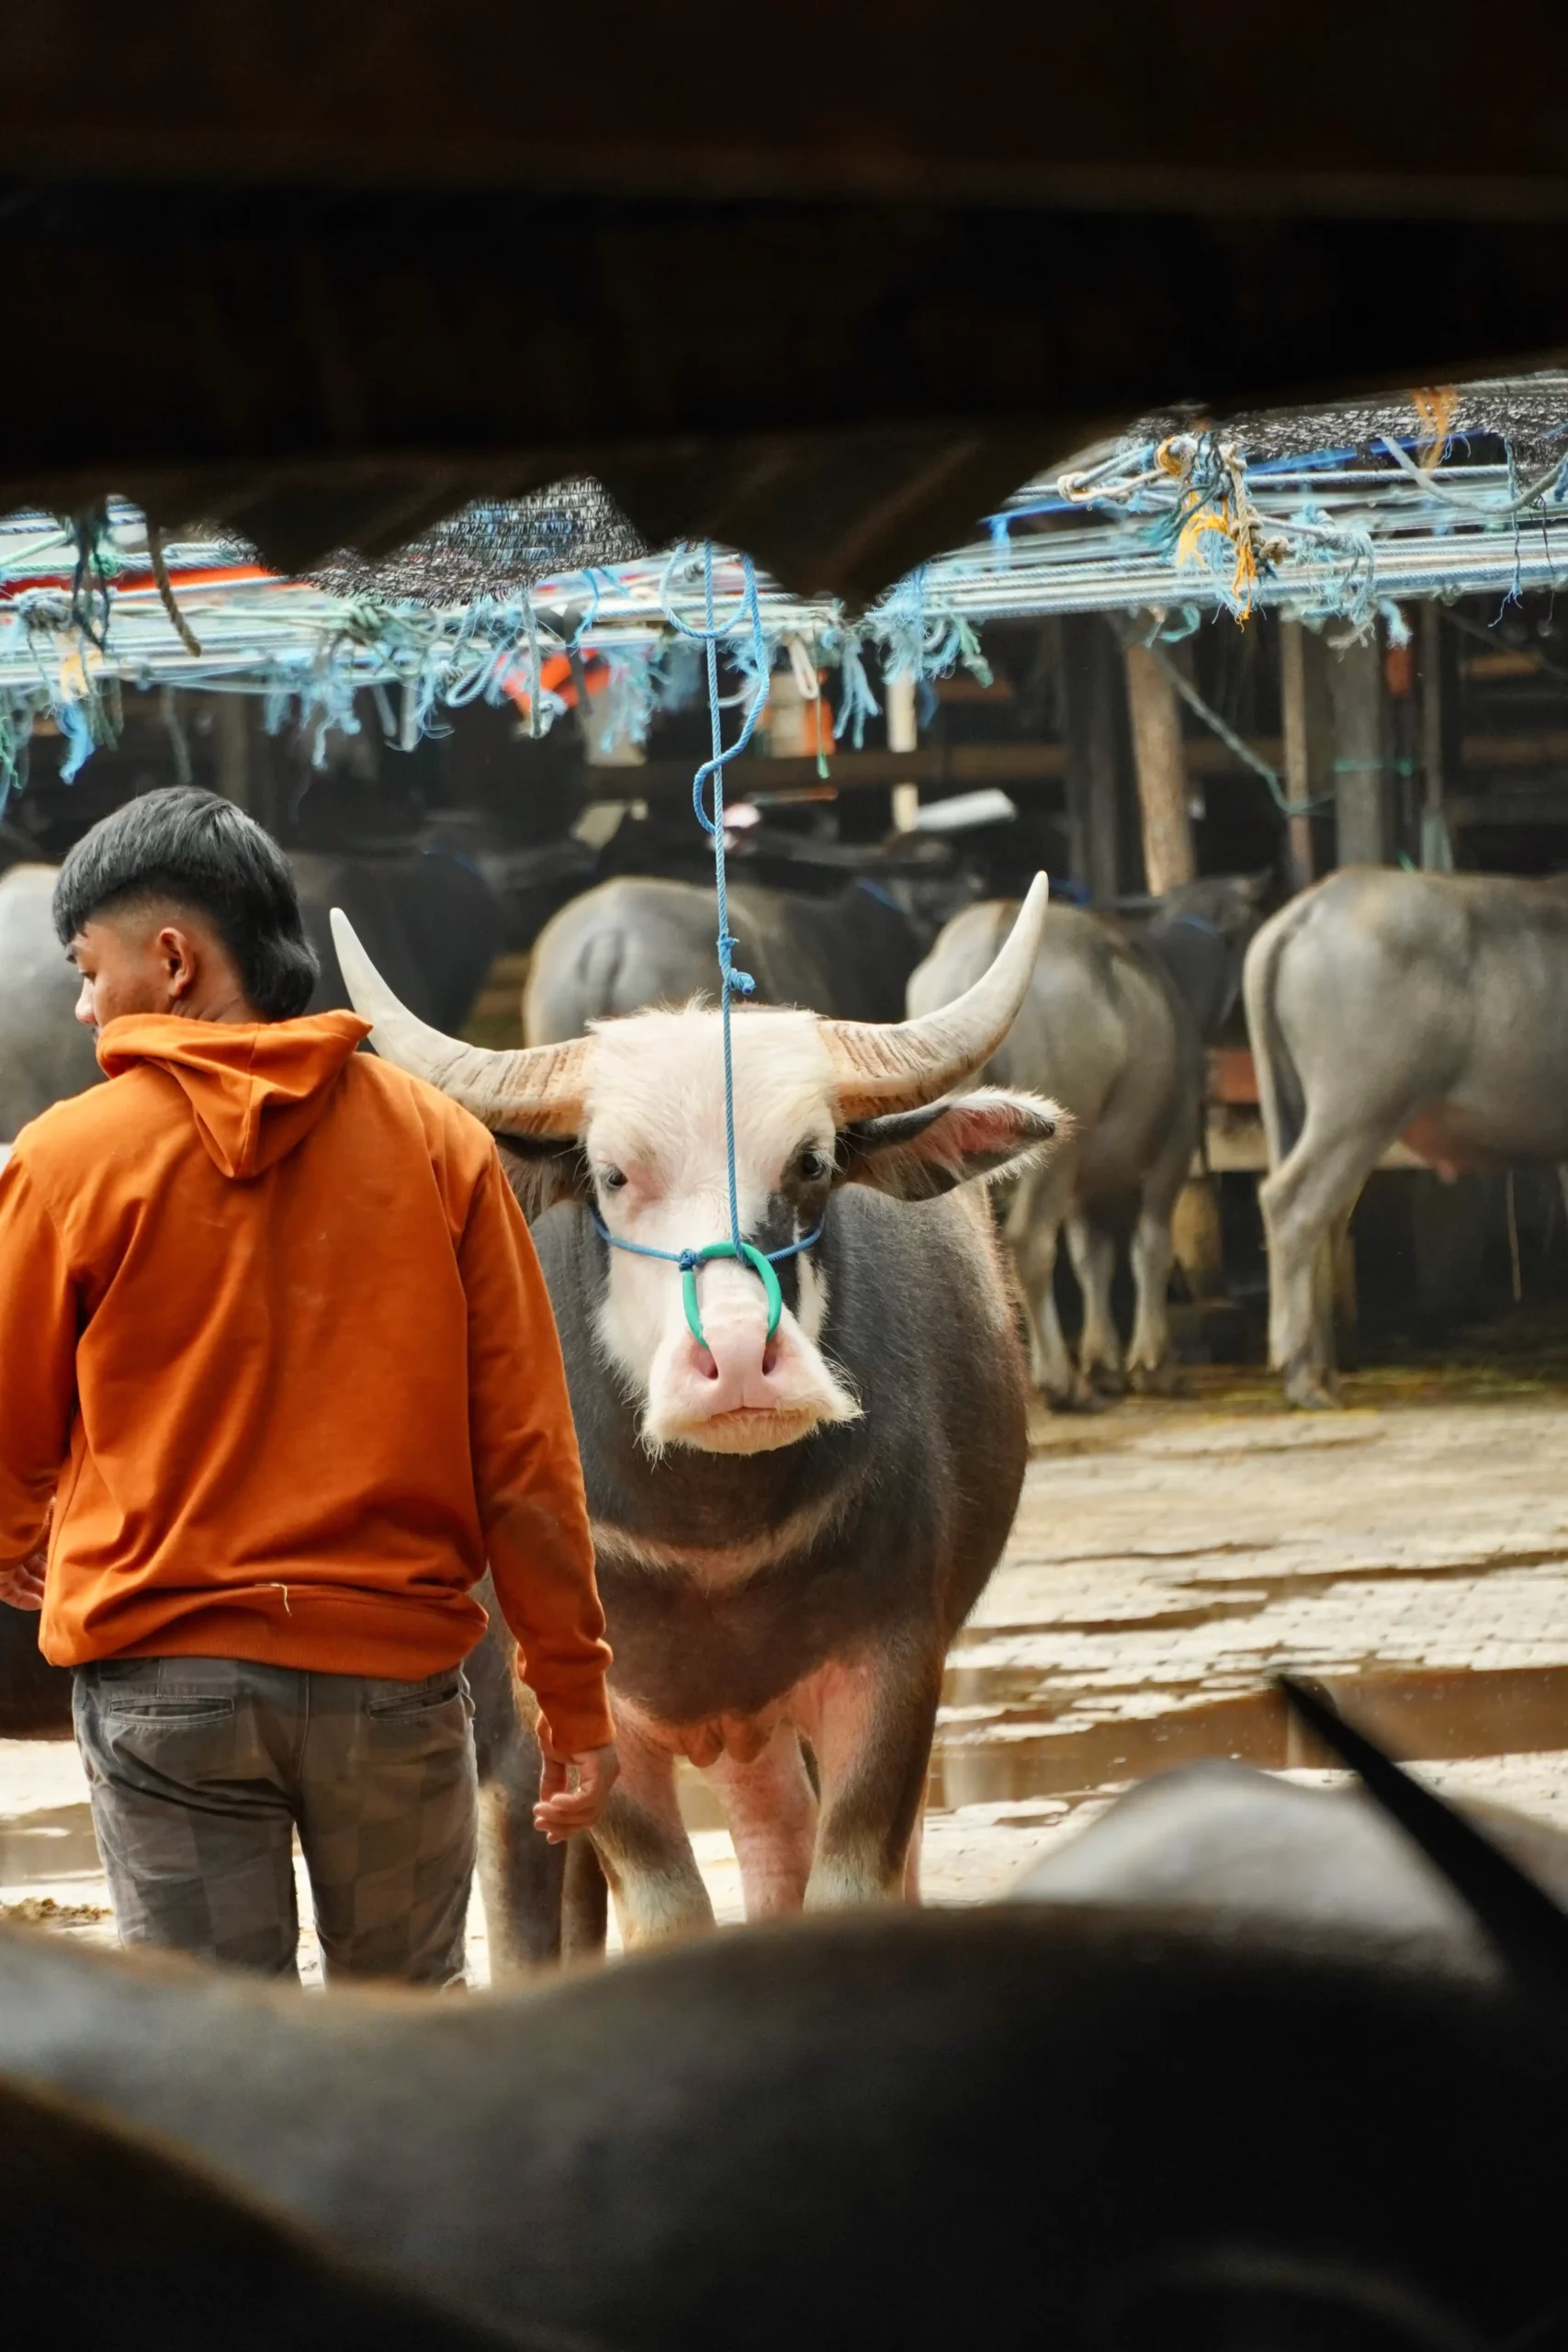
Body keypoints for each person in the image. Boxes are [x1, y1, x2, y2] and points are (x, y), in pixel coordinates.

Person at [0, 787, 615, 1983]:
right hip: (390, 1682)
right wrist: (572, 1696)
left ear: (172, 960)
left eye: (87, 968)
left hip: (165, 1686)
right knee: (396, 2039)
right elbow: (529, 1457)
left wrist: (21, 1531)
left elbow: (9, 1420)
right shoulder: (441, 1145)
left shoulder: (66, 1159)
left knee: (214, 2056)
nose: (82, 1005)